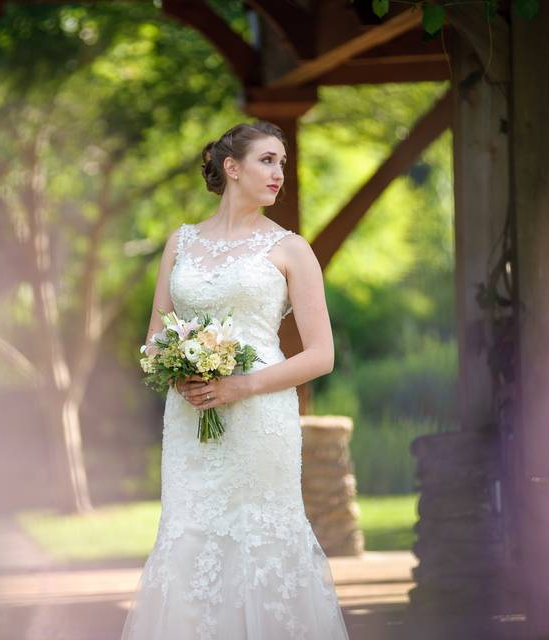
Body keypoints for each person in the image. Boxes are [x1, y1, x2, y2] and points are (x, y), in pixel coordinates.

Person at [120, 121, 350, 640]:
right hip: (190, 416)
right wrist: (177, 369)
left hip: (258, 418)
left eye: (283, 165)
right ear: (232, 167)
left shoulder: (292, 250)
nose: (279, 174)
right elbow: (155, 336)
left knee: (259, 539)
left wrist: (239, 386)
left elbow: (321, 355)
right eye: (268, 161)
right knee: (190, 536)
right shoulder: (179, 243)